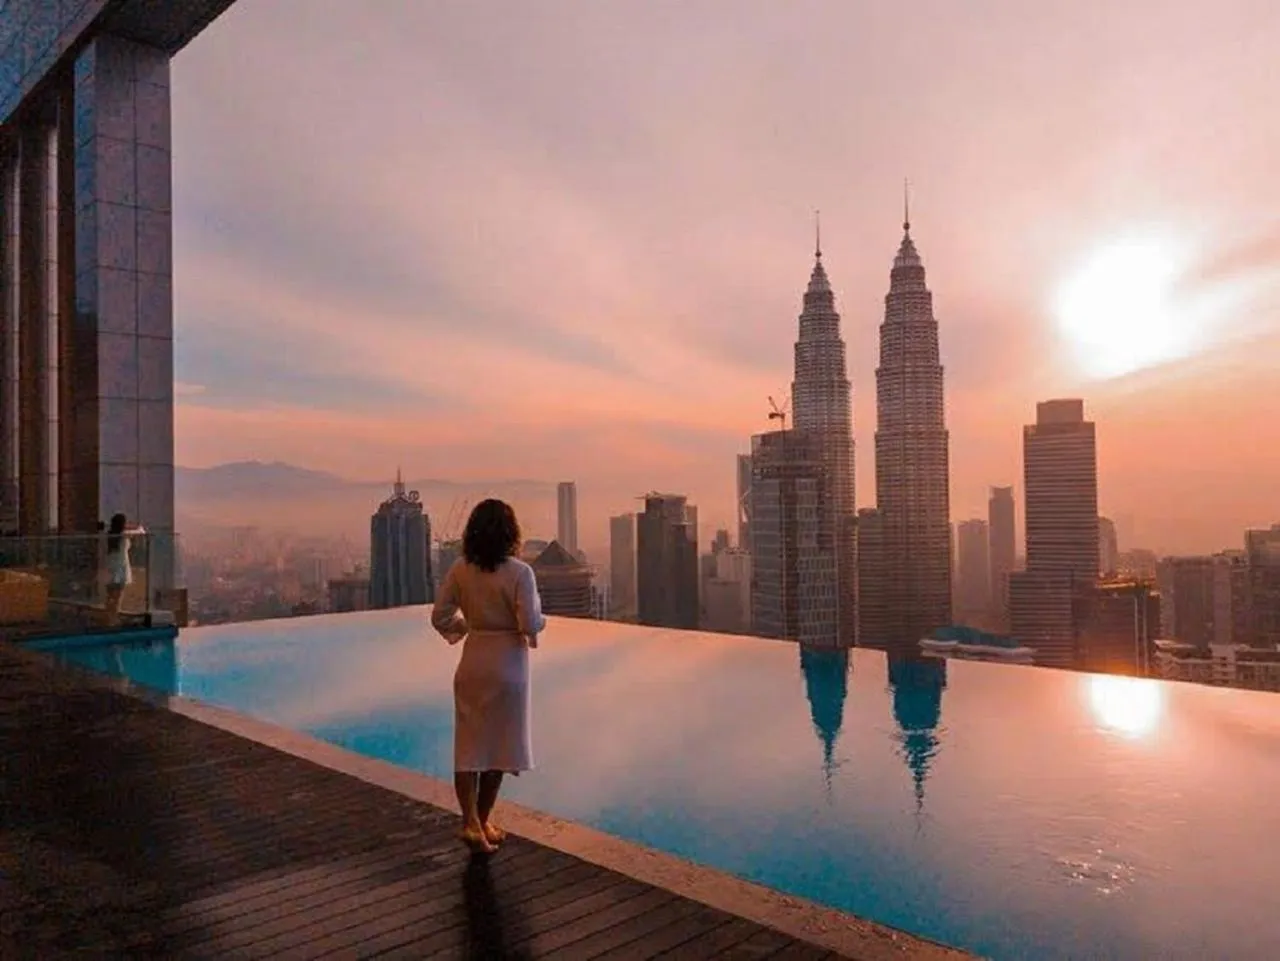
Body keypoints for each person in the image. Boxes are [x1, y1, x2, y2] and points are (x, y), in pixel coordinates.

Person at [431, 498, 545, 854]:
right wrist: (540, 624)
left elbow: (439, 616)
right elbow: (529, 622)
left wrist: (463, 626)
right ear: (511, 533)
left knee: (468, 746)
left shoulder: (461, 569)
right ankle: (481, 820)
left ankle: (472, 823)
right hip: (509, 664)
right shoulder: (519, 573)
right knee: (498, 747)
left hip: (473, 661)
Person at [104, 512, 145, 625]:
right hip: (120, 566)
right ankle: (113, 619)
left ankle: (109, 617)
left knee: (110, 595)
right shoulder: (123, 534)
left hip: (112, 565)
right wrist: (137, 526)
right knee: (117, 595)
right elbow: (141, 532)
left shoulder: (111, 534)